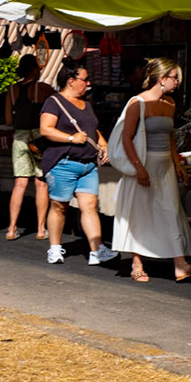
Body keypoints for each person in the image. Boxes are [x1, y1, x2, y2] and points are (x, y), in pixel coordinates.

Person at [110, 58, 191, 282]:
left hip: (165, 165)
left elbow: (170, 137)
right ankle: (136, 264)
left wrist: (177, 164)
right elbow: (126, 138)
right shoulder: (138, 103)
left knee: (171, 210)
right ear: (162, 78)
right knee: (140, 212)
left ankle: (180, 264)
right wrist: (139, 168)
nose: (177, 82)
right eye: (175, 78)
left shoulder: (169, 103)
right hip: (144, 162)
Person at [38, 60, 116, 266]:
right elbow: (46, 129)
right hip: (63, 163)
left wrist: (104, 145)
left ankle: (96, 250)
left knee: (90, 206)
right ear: (71, 81)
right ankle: (55, 248)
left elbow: (92, 129)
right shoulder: (54, 102)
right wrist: (71, 138)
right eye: (85, 79)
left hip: (88, 164)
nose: (88, 83)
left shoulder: (86, 104)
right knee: (59, 206)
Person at [3, 54, 50, 241]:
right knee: (41, 183)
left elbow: (8, 120)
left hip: (20, 137)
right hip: (39, 138)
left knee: (20, 184)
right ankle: (41, 229)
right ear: (34, 69)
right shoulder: (42, 88)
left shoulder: (12, 90)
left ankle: (12, 228)